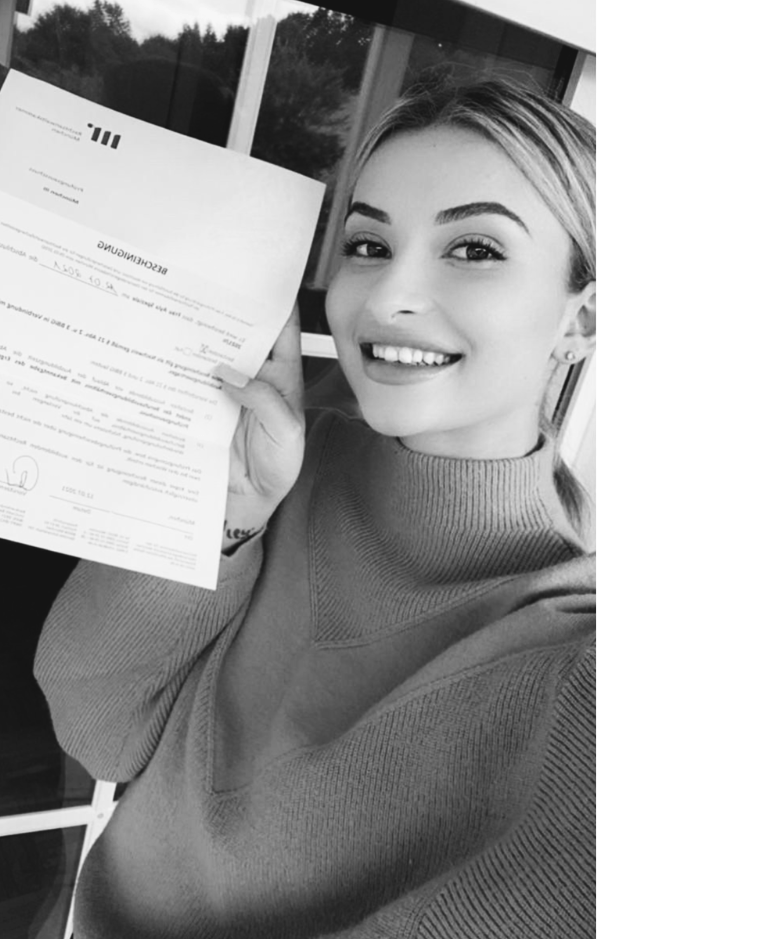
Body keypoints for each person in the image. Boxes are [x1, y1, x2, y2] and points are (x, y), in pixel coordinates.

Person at [34, 77, 597, 938]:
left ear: (582, 320)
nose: (387, 295)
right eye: (369, 244)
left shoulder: (573, 647)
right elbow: (95, 729)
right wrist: (227, 520)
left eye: (475, 249)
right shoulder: (272, 461)